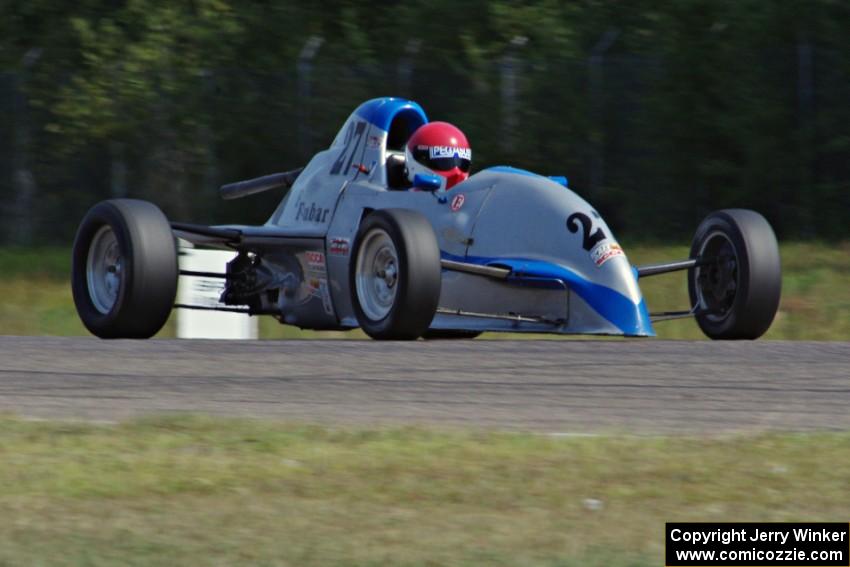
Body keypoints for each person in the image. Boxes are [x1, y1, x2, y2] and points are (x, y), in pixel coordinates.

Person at [404, 121, 471, 191]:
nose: (457, 173)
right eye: (444, 161)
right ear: (421, 159)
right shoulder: (400, 200)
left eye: (463, 163)